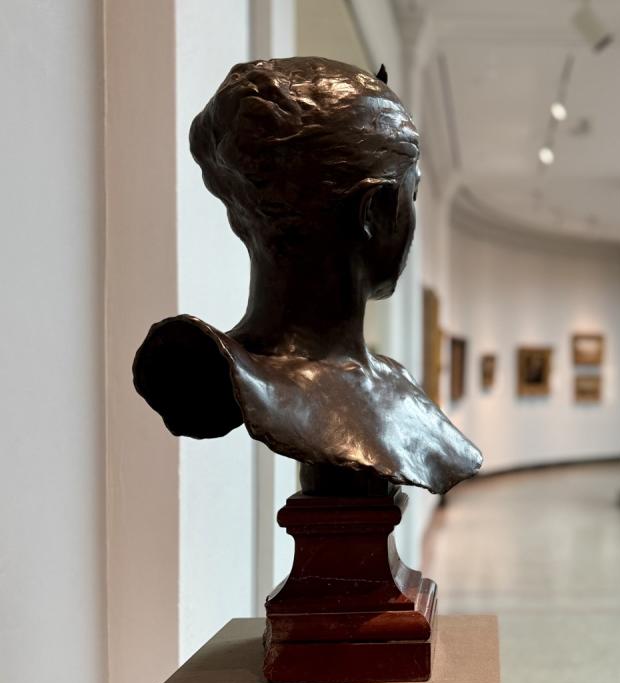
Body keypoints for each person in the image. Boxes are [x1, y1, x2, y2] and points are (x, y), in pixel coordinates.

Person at [133, 58, 481, 494]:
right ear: (373, 212)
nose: (413, 220)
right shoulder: (212, 373)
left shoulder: (398, 386)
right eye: (410, 195)